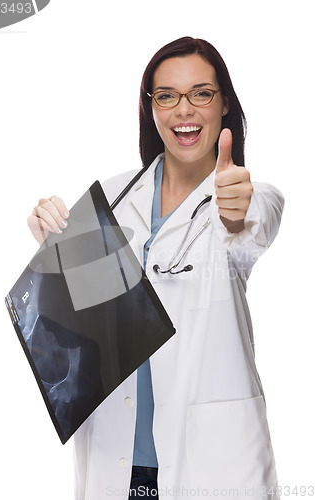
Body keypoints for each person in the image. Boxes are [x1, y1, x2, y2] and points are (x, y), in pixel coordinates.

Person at [27, 37, 284, 500]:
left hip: (213, 465)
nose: (183, 110)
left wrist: (235, 210)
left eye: (201, 93)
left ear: (224, 103)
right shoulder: (113, 197)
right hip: (117, 461)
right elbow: (86, 319)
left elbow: (247, 231)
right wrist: (55, 251)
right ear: (151, 108)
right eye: (166, 96)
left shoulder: (253, 196)